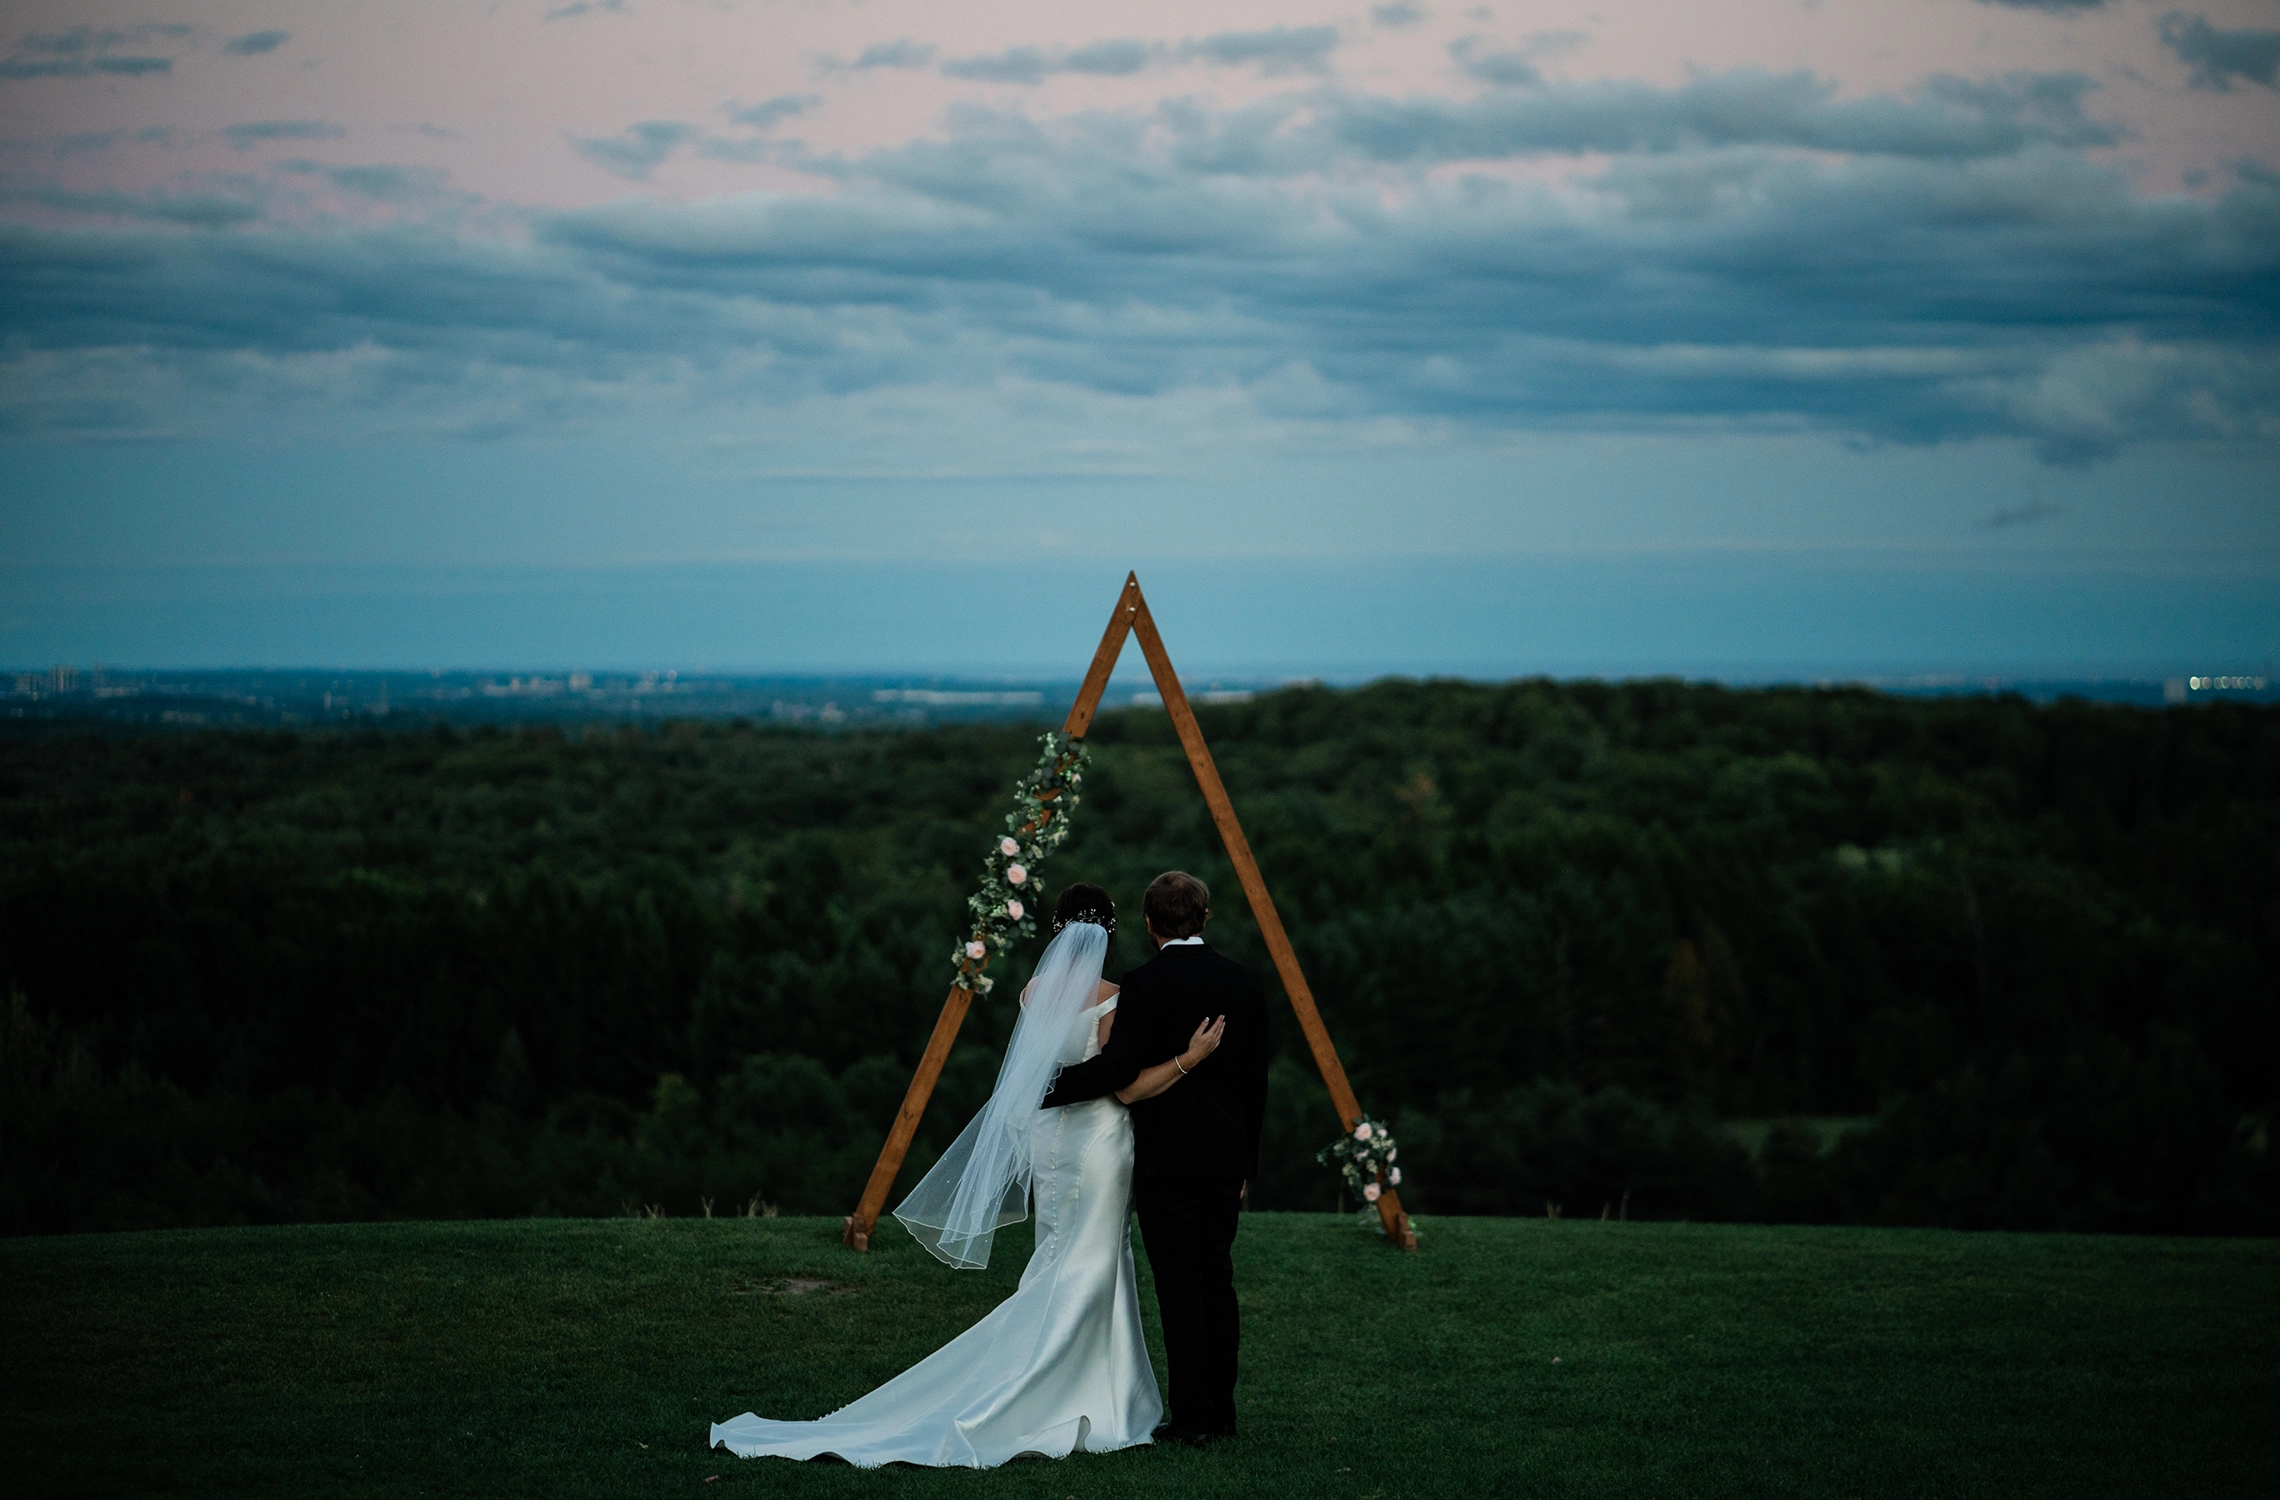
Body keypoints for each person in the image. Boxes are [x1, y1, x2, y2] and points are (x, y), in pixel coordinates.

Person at [708, 882, 1224, 1469]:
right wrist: (1184, 1061)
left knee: (1063, 1249)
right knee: (1096, 1254)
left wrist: (1039, 1094)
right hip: (1099, 1139)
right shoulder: (1116, 995)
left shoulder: (1034, 993)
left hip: (1049, 1139)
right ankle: (1066, 1391)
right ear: (1107, 932)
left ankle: (1095, 1387)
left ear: (1057, 932)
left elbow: (1039, 1066)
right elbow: (1114, 1073)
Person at [1041, 870, 1269, 1447]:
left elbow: (1118, 1073)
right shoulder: (1245, 982)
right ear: (1204, 917)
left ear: (1148, 924)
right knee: (1217, 1280)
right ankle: (1222, 1412)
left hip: (1167, 1160)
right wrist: (1247, 1164)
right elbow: (1255, 1085)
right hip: (1224, 1160)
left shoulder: (1143, 984)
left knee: (1179, 1287)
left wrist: (1041, 1089)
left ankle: (1193, 1418)